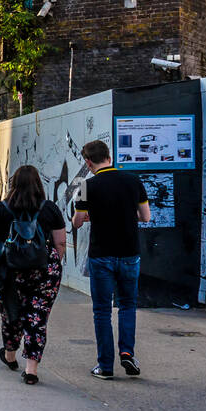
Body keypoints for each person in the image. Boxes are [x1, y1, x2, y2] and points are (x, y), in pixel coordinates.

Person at [0, 165, 68, 384]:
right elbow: (60, 242)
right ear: (38, 184)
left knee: (11, 312)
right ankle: (31, 370)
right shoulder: (50, 208)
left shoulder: (1, 209)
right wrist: (53, 263)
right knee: (37, 317)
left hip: (10, 270)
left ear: (13, 184)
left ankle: (10, 355)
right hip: (45, 271)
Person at [73, 140, 152, 380]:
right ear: (109, 156)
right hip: (129, 254)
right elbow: (146, 217)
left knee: (102, 311)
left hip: (101, 255)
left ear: (88, 162)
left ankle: (105, 366)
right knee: (127, 305)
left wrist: (91, 217)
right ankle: (127, 352)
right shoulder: (133, 181)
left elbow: (77, 221)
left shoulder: (87, 186)